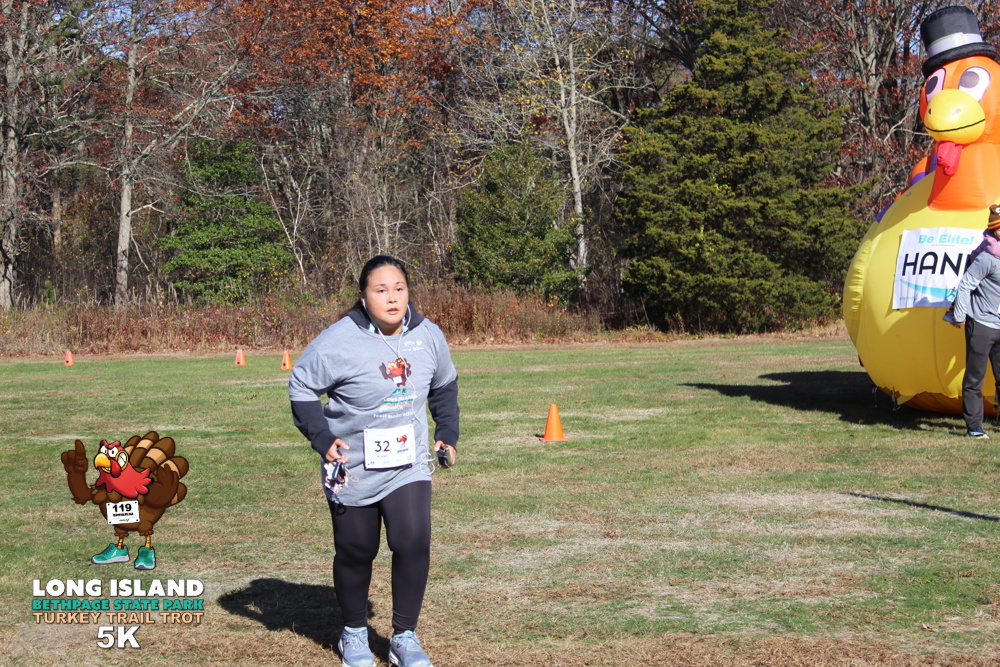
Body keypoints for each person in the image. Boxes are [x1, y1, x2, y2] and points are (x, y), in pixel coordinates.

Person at [289, 255, 459, 667]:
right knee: (356, 550)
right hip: (353, 466)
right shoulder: (337, 340)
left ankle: (404, 637)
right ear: (364, 297)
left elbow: (444, 385)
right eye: (381, 290)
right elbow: (301, 387)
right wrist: (322, 437)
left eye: (399, 289)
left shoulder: (427, 334)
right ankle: (353, 634)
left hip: (407, 464)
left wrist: (446, 433)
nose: (392, 298)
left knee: (413, 540)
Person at [949, 204, 1000, 438]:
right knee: (974, 378)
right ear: (993, 230)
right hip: (981, 324)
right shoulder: (987, 258)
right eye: (999, 228)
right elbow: (965, 286)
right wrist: (960, 316)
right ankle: (975, 426)